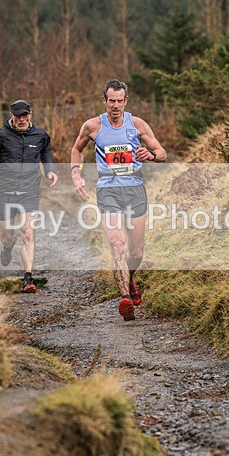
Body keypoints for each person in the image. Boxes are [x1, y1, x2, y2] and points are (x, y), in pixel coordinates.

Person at [71, 79, 166, 321]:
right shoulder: (92, 126)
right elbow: (76, 149)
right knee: (117, 245)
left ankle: (130, 279)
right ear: (104, 101)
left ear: (126, 101)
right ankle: (124, 298)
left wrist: (151, 154)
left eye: (119, 101)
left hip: (134, 189)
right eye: (111, 101)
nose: (115, 105)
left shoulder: (137, 124)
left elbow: (162, 152)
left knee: (136, 251)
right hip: (108, 191)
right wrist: (76, 174)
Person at [0, 99, 58, 293]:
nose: (22, 119)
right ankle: (7, 248)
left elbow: (46, 153)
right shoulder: (2, 135)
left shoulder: (40, 135)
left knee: (28, 232)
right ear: (12, 116)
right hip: (5, 190)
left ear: (30, 115)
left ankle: (27, 278)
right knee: (7, 236)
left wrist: (50, 171)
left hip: (29, 189)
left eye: (25, 116)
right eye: (18, 116)